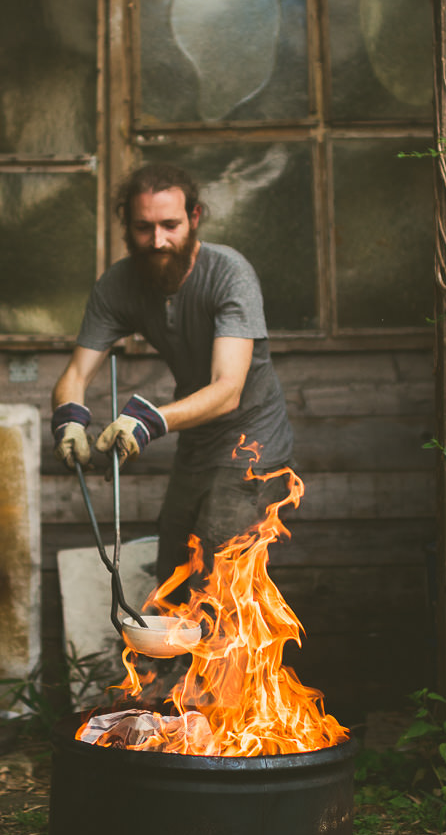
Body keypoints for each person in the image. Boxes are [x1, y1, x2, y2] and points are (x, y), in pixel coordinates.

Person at [51, 162, 294, 594]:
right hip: (196, 445)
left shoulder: (228, 274)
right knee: (172, 578)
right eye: (144, 227)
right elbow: (75, 373)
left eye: (171, 225)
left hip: (251, 442)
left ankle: (225, 663)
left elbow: (227, 390)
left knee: (215, 581)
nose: (158, 240)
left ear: (195, 218)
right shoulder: (118, 286)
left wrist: (146, 422)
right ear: (126, 223)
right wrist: (69, 418)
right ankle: (169, 665)